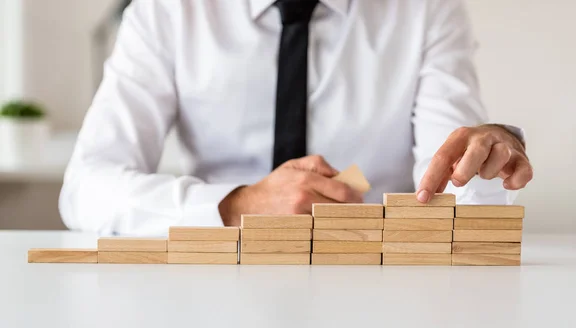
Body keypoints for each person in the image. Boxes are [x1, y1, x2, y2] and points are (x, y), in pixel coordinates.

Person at [59, 0, 533, 235]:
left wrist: (485, 159)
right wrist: (234, 205)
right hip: (209, 286)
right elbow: (85, 188)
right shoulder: (166, 12)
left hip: (380, 293)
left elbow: (458, 197)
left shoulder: (426, 10)